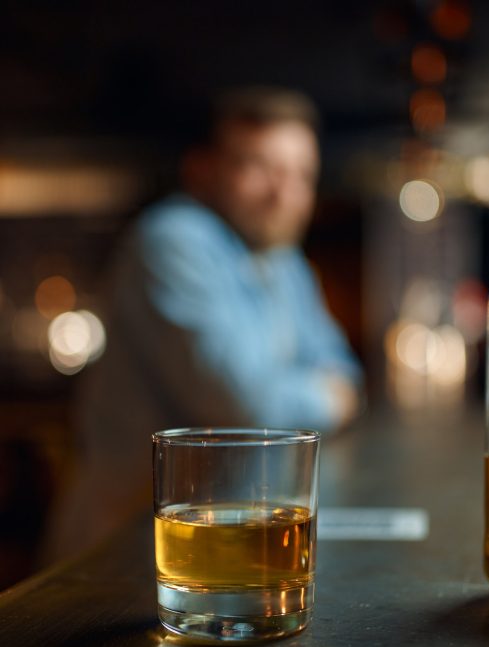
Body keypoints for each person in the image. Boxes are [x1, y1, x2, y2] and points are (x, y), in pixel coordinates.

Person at [43, 86, 363, 560]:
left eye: (301, 174)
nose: (284, 193)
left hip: (219, 545)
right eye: (259, 167)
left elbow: (346, 369)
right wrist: (325, 395)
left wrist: (319, 391)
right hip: (122, 555)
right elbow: (246, 406)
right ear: (202, 170)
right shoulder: (172, 238)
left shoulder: (283, 262)